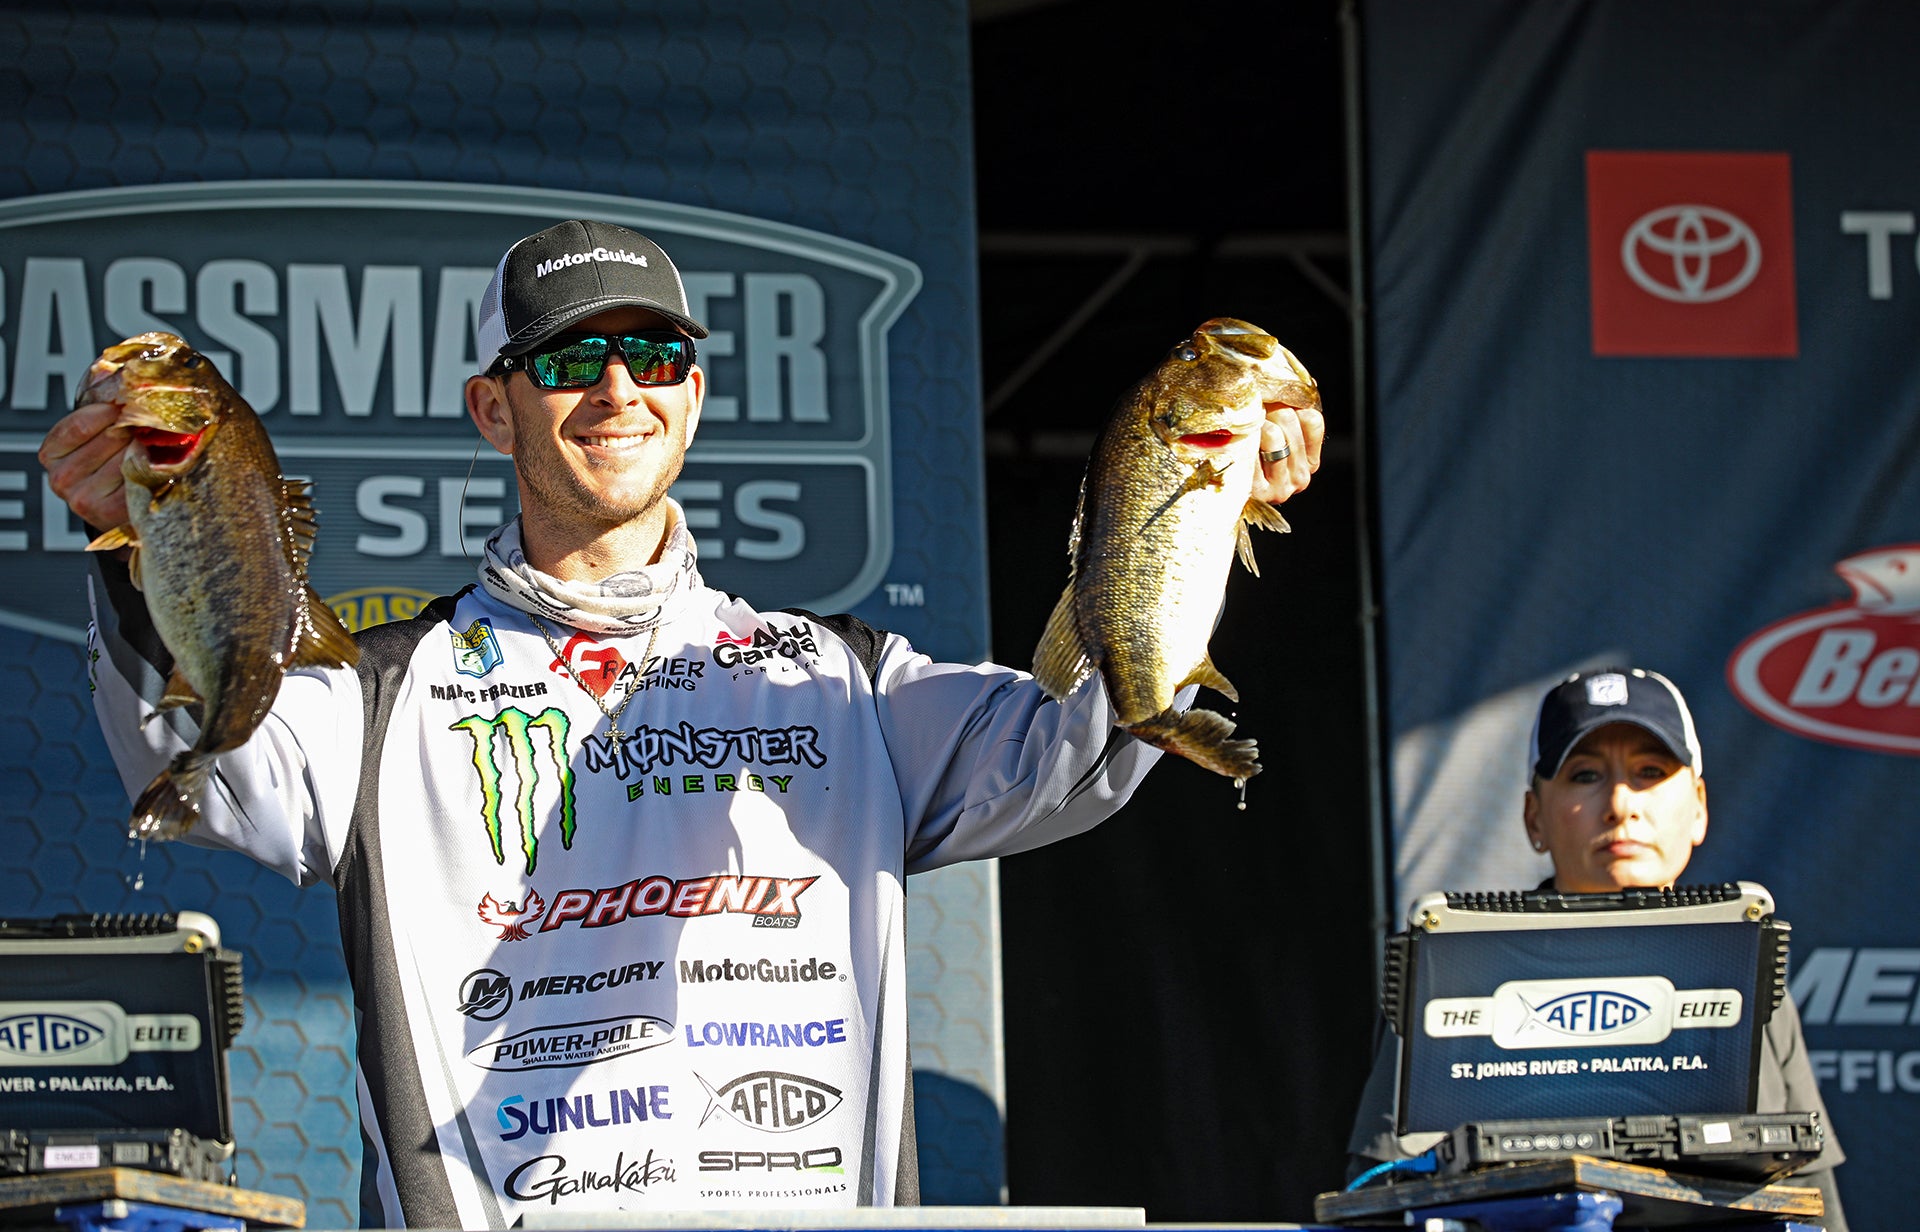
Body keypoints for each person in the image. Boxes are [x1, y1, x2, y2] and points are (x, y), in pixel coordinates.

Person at [41, 219, 1325, 1228]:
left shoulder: (840, 676)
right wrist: (140, 541)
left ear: (694, 394)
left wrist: (1201, 505)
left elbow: (1071, 753)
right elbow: (217, 774)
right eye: (563, 360)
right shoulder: (383, 687)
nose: (615, 390)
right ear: (495, 408)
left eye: (652, 355)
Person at [1345, 667, 1847, 1229]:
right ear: (1535, 817)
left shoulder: (1749, 974)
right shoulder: (1447, 974)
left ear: (1699, 807)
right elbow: (1379, 1201)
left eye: (1651, 772)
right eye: (1585, 775)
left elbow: (1812, 1204)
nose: (1620, 804)